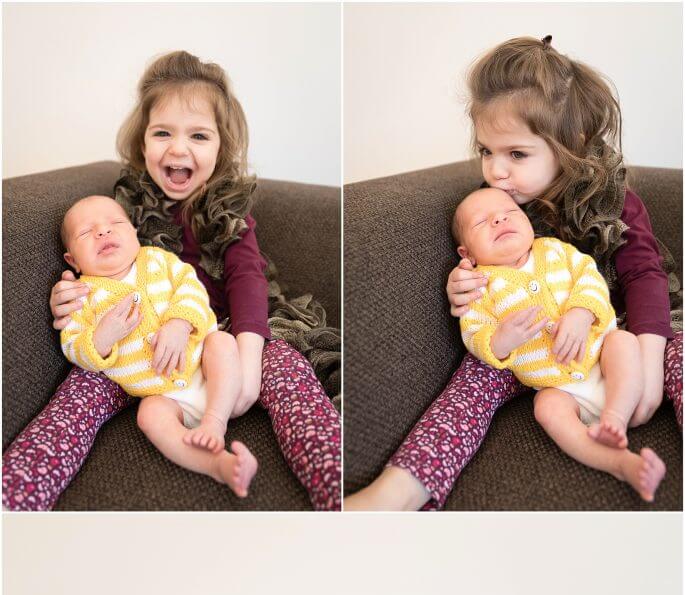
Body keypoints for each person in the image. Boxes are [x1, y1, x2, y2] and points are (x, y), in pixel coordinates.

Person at [345, 35, 682, 510]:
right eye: (486, 151)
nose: (496, 172)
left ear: (571, 145)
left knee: (677, 350)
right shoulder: (495, 209)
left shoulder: (613, 201)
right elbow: (477, 283)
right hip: (526, 348)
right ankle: (400, 488)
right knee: (473, 379)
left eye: (516, 155)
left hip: (611, 330)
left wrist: (649, 355)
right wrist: (460, 286)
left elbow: (644, 274)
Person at [3, 49, 340, 511]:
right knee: (80, 391)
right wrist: (69, 294)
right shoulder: (120, 208)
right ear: (143, 142)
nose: (178, 149)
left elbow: (246, 276)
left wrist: (249, 350)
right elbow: (93, 263)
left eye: (198, 135)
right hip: (135, 341)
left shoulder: (226, 206)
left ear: (221, 147)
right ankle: (18, 492)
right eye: (163, 133)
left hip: (224, 326)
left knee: (289, 375)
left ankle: (332, 481)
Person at [453, 188, 665, 502]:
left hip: (600, 359)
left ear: (526, 220)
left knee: (623, 341)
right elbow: (473, 333)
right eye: (482, 222)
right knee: (547, 409)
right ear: (467, 254)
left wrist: (581, 312)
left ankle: (614, 419)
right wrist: (499, 342)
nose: (499, 218)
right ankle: (621, 463)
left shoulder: (554, 250)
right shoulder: (478, 288)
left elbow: (589, 277)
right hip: (559, 388)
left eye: (509, 212)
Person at [58, 197, 257, 496]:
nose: (103, 232)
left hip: (206, 368)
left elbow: (192, 291)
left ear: (135, 233)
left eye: (115, 224)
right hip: (164, 398)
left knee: (222, 342)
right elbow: (72, 346)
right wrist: (101, 337)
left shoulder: (158, 261)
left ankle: (215, 423)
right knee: (149, 416)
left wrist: (180, 323)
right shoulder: (80, 296)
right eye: (87, 233)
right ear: (72, 259)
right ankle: (220, 466)